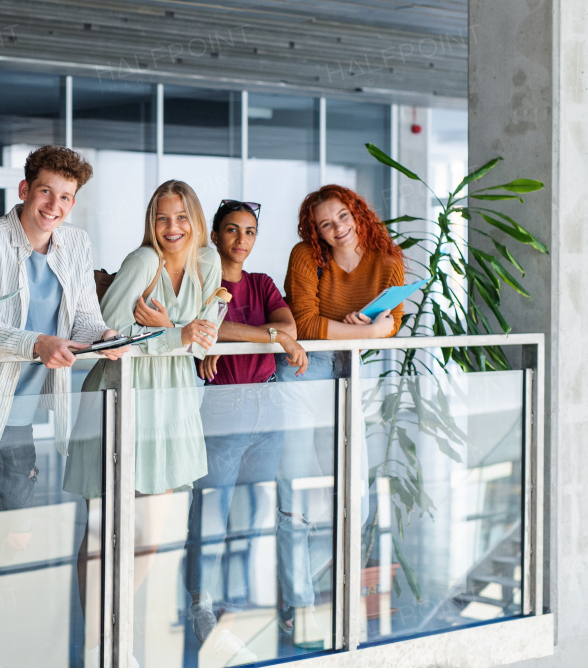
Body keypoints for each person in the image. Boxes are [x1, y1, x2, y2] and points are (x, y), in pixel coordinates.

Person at [0, 145, 125, 668]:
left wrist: (105, 335)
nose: (54, 205)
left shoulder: (76, 244)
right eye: (45, 192)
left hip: (22, 418)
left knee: (12, 536)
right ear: (25, 190)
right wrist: (39, 342)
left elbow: (83, 317)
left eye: (66, 197)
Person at [67, 179, 222, 665]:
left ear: (195, 220)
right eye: (162, 218)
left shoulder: (207, 263)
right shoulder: (142, 263)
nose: (172, 228)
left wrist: (165, 329)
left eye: (181, 217)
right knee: (102, 530)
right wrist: (173, 334)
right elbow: (107, 341)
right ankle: (100, 644)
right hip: (123, 398)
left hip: (172, 406)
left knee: (151, 535)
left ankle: (112, 627)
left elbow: (204, 337)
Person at [275, 183, 404, 635]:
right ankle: (298, 603)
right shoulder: (306, 257)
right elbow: (305, 326)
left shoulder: (387, 258)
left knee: (357, 497)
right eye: (326, 225)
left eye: (343, 218)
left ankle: (301, 578)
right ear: (316, 231)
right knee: (294, 494)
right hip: (301, 366)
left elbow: (394, 322)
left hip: (348, 368)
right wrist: (366, 333)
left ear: (357, 214)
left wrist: (365, 333)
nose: (338, 229)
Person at [183, 200, 307, 657]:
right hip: (224, 406)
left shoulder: (262, 283)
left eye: (250, 232)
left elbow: (286, 322)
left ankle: (232, 605)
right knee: (211, 513)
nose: (241, 240)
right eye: (232, 230)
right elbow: (208, 327)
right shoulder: (202, 281)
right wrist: (273, 337)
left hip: (267, 406)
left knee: (250, 515)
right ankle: (201, 603)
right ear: (214, 236)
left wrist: (246, 333)